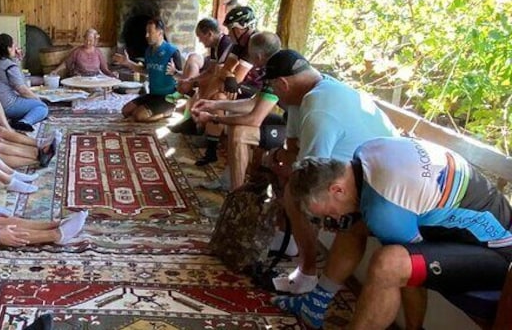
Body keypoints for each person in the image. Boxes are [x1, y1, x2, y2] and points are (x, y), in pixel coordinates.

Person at [280, 137, 512, 330]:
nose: (332, 219)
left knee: (388, 265)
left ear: (337, 189)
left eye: (329, 212)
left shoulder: (384, 210)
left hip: (498, 255)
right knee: (352, 223)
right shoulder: (367, 152)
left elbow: (411, 279)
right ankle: (317, 301)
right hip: (479, 223)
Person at [262, 49, 399, 295]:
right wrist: (279, 159)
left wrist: (276, 161)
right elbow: (293, 147)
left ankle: (306, 273)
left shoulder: (318, 109)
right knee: (286, 176)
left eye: (273, 87)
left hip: (380, 180)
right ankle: (289, 241)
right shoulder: (308, 93)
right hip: (352, 169)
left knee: (297, 191)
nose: (274, 94)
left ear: (282, 83)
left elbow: (306, 174)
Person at [192, 31, 283, 189]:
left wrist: (214, 118)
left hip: (298, 133)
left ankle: (235, 197)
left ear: (259, 56)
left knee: (240, 133)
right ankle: (230, 185)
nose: (251, 62)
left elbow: (254, 119)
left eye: (251, 56)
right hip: (292, 123)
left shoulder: (279, 72)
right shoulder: (277, 65)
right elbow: (252, 104)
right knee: (236, 125)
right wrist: (213, 105)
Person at [168, 17, 234, 133]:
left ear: (209, 34)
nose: (199, 41)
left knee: (211, 95)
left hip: (231, 85)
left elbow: (217, 76)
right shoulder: (215, 46)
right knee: (201, 86)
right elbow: (210, 71)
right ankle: (194, 122)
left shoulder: (225, 44)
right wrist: (191, 80)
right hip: (222, 80)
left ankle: (196, 123)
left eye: (199, 36)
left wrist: (203, 100)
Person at [113, 18, 184, 122]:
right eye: (146, 32)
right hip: (152, 94)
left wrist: (175, 73)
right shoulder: (148, 51)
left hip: (167, 97)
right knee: (126, 111)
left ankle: (166, 112)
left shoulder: (172, 52)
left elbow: (183, 77)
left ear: (160, 33)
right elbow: (145, 70)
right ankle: (154, 111)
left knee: (139, 116)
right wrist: (127, 63)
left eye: (150, 32)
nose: (146, 35)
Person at [0, 33, 49, 131]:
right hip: (6, 105)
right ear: (8, 49)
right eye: (14, 46)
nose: (16, 49)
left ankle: (17, 119)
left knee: (28, 103)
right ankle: (24, 123)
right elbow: (22, 89)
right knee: (42, 107)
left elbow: (20, 79)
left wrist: (17, 60)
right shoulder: (9, 65)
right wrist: (37, 99)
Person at [51, 28, 116, 78]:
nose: (88, 43)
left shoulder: (98, 52)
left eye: (90, 41)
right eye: (86, 40)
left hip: (95, 78)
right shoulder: (77, 51)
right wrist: (56, 71)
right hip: (79, 78)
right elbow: (66, 63)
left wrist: (112, 74)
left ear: (95, 41)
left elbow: (104, 69)